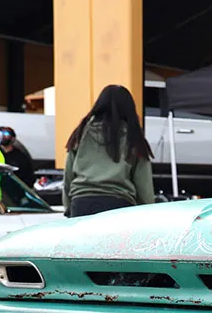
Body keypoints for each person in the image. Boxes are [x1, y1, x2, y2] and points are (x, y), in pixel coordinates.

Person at [63, 84, 154, 217]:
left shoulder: (81, 133)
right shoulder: (134, 138)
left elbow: (68, 175)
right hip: (118, 204)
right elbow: (144, 186)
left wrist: (68, 208)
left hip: (81, 202)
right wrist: (147, 212)